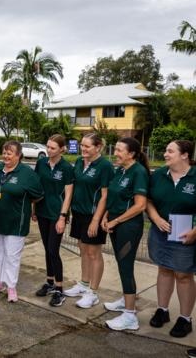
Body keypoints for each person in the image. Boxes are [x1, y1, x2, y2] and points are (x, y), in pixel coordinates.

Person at [146, 140, 196, 338]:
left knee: (183, 275)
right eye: (165, 150)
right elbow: (148, 201)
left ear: (184, 155)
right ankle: (162, 310)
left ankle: (185, 318)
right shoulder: (159, 175)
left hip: (186, 234)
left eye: (170, 151)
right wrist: (156, 217)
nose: (165, 154)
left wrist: (195, 231)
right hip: (160, 231)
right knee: (164, 269)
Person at [0, 140, 44, 302]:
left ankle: (11, 287)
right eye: (4, 152)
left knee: (12, 256)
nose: (5, 156)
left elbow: (38, 195)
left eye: (9, 153)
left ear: (18, 155)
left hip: (16, 222)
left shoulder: (27, 174)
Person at [101, 137, 149, 331]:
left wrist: (116, 220)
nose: (116, 153)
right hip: (114, 222)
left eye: (120, 150)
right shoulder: (120, 170)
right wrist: (106, 215)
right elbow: (112, 196)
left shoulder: (139, 172)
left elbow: (140, 205)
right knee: (122, 265)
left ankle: (130, 316)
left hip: (128, 227)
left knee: (126, 266)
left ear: (131, 154)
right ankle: (125, 299)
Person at [64, 133, 114, 309]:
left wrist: (96, 220)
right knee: (83, 249)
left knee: (94, 253)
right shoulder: (79, 161)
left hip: (93, 215)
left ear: (98, 147)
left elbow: (105, 196)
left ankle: (93, 292)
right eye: (81, 145)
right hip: (78, 213)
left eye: (87, 146)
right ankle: (83, 284)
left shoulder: (105, 166)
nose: (83, 149)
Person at [33, 134, 74, 307]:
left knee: (53, 250)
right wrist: (34, 209)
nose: (49, 150)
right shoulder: (41, 162)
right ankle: (50, 282)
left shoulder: (66, 167)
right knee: (47, 249)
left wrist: (62, 217)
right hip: (42, 212)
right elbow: (36, 187)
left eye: (53, 148)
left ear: (62, 149)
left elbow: (68, 195)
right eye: (47, 146)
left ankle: (59, 289)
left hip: (57, 214)